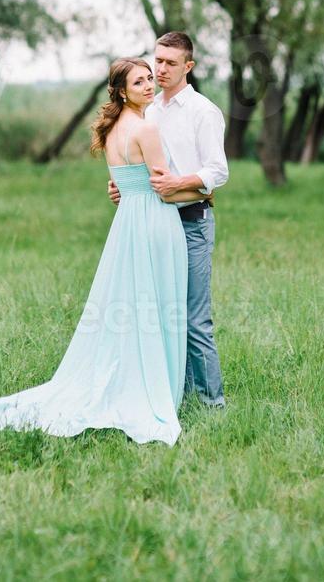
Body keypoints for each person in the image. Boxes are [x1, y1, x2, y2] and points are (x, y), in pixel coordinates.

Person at [0, 57, 207, 446]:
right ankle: (153, 389)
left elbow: (127, 185)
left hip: (128, 223)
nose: (149, 85)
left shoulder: (113, 129)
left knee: (132, 306)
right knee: (157, 304)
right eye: (139, 82)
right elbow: (165, 189)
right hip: (155, 222)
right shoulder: (146, 129)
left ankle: (135, 377)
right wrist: (203, 190)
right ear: (120, 91)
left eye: (150, 79)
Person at [108, 32, 228, 408]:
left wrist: (185, 183)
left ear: (188, 67)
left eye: (170, 63)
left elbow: (218, 171)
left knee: (194, 320)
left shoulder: (203, 112)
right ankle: (174, 395)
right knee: (161, 317)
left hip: (191, 223)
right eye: (157, 60)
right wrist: (124, 189)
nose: (160, 69)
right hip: (154, 226)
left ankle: (211, 403)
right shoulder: (148, 109)